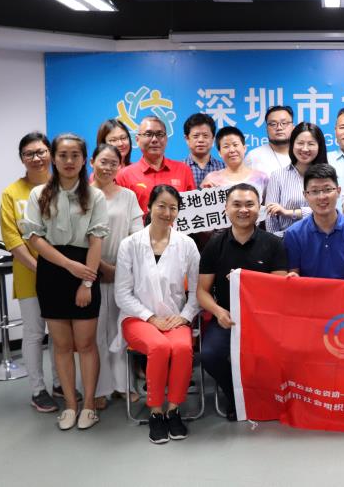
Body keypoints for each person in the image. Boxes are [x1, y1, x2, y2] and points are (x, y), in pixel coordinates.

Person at [19, 133, 109, 430]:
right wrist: (69, 265)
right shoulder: (38, 194)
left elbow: (96, 241)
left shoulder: (95, 196)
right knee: (61, 345)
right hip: (52, 272)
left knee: (86, 344)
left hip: (86, 271)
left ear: (84, 160)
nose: (69, 161)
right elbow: (34, 238)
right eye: (63, 155)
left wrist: (86, 283)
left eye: (75, 155)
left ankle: (89, 405)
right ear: (54, 159)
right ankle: (70, 405)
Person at [114, 185, 201, 444]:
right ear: (149, 207)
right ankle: (155, 412)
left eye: (173, 208)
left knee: (182, 348)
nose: (167, 212)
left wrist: (185, 316)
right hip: (137, 317)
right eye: (161, 205)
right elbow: (122, 294)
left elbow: (197, 290)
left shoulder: (187, 244)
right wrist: (150, 318)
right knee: (159, 347)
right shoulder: (130, 244)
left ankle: (173, 410)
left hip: (175, 318)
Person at [197, 183, 288, 421]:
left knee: (280, 354)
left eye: (250, 204)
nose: (243, 210)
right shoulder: (214, 245)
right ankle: (236, 396)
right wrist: (218, 312)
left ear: (260, 208)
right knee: (209, 355)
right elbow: (202, 292)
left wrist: (246, 280)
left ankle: (263, 395)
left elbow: (279, 287)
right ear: (226, 208)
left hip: (265, 320)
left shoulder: (274, 243)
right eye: (236, 204)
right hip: (228, 318)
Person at [0, 132, 61, 412]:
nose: (36, 158)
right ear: (22, 158)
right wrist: (40, 268)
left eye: (41, 151)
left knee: (60, 333)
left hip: (63, 271)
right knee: (35, 333)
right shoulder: (12, 193)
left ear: (50, 153)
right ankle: (38, 390)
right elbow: (12, 238)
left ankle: (60, 382)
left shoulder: (63, 186)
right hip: (29, 273)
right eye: (29, 153)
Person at [90, 144, 144, 410]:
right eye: (104, 161)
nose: (108, 167)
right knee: (95, 334)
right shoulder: (83, 195)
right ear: (92, 162)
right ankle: (98, 389)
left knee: (120, 331)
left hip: (123, 272)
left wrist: (120, 269)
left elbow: (137, 235)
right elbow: (79, 239)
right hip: (90, 273)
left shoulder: (128, 196)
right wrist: (100, 266)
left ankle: (124, 386)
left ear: (120, 166)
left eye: (114, 163)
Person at [284, 164, 344, 281]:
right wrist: (293, 278)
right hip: (309, 292)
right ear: (305, 195)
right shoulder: (294, 234)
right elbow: (293, 275)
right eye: (314, 191)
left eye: (327, 190)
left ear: (338, 191)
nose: (322, 197)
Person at [115, 116, 196, 214]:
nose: (154, 139)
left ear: (166, 139)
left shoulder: (183, 170)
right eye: (148, 134)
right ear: (137, 139)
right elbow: (119, 215)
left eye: (159, 134)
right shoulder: (124, 176)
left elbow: (193, 210)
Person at [265, 122, 328, 236]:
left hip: (321, 239)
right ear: (292, 144)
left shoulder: (327, 176)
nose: (305, 149)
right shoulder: (278, 176)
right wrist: (274, 242)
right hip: (284, 240)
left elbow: (327, 211)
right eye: (300, 143)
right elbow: (270, 216)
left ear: (319, 146)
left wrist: (288, 212)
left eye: (311, 144)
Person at [200, 126, 268, 198]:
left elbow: (268, 204)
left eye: (235, 145)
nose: (232, 150)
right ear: (219, 153)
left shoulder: (261, 177)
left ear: (244, 148)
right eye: (226, 146)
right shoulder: (211, 179)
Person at [245, 105, 294, 177]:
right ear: (266, 128)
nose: (279, 128)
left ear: (293, 127)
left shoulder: (302, 155)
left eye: (284, 123)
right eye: (273, 124)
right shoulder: (253, 157)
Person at [182, 113, 224, 189]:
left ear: (213, 139)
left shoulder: (223, 168)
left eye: (205, 136)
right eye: (196, 136)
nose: (201, 140)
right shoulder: (179, 169)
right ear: (187, 139)